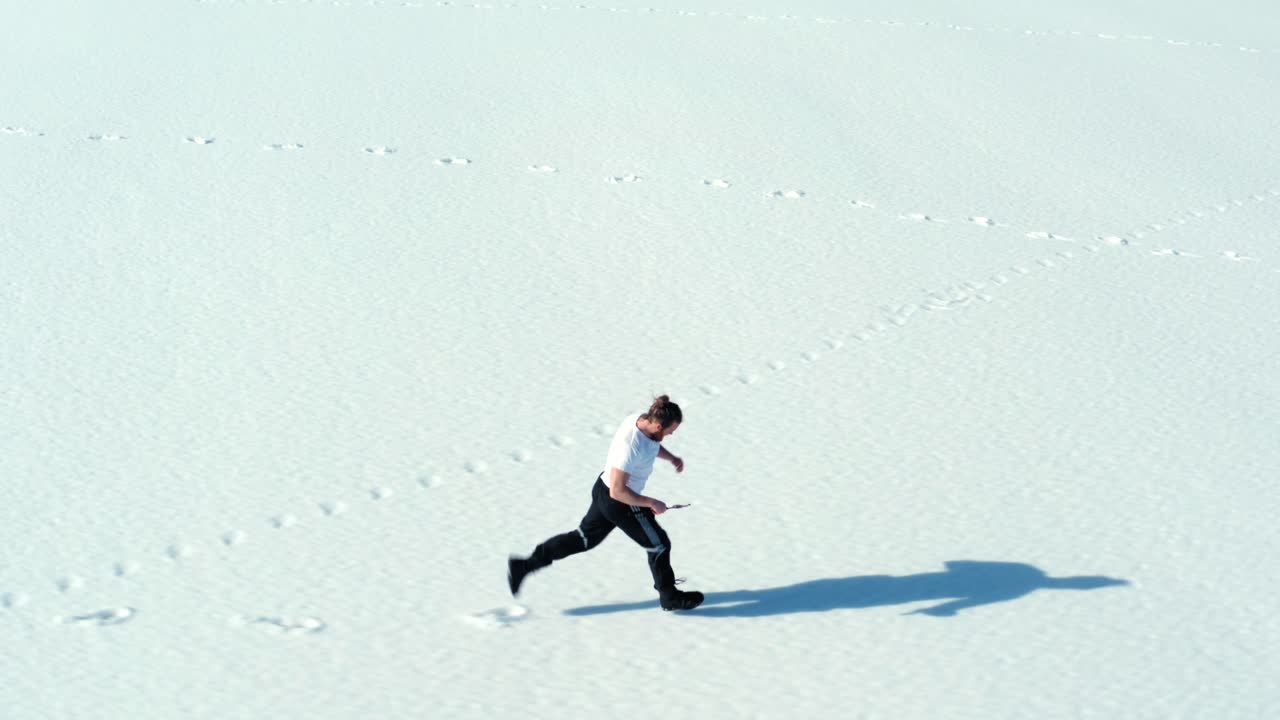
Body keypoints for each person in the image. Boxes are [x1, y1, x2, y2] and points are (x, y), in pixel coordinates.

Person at [507, 395, 704, 611]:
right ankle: (670, 598)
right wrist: (651, 502)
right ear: (658, 425)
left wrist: (672, 457)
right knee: (658, 545)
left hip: (602, 489)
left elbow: (653, 444)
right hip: (620, 501)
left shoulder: (640, 420)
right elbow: (618, 491)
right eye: (669, 432)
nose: (670, 435)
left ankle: (525, 565)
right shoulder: (631, 447)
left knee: (584, 539)